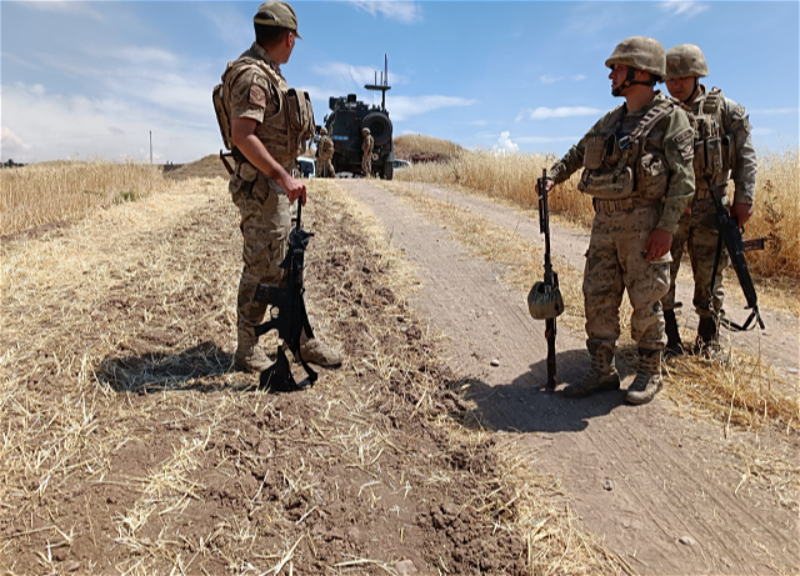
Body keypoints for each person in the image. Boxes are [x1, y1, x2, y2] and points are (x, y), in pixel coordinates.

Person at [537, 36, 695, 405]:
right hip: (604, 225)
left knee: (647, 299)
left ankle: (650, 371)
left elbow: (684, 180)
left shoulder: (671, 119)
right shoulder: (611, 120)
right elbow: (579, 152)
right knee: (598, 295)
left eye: (618, 69)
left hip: (645, 225)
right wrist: (553, 176)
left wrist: (665, 229)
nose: (611, 75)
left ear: (641, 72)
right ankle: (602, 370)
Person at [221, 0, 342, 373]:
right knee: (261, 266)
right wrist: (282, 176)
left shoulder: (268, 73)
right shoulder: (253, 76)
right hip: (262, 189)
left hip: (274, 187)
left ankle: (300, 338)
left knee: (289, 265)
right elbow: (243, 135)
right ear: (289, 38)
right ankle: (247, 348)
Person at [661, 44, 758, 357]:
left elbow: (745, 157)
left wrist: (744, 199)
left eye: (681, 77)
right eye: (669, 79)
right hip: (671, 210)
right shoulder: (661, 113)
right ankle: (669, 339)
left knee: (710, 275)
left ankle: (708, 338)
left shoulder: (726, 110)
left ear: (697, 75)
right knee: (662, 273)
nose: (675, 84)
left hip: (711, 206)